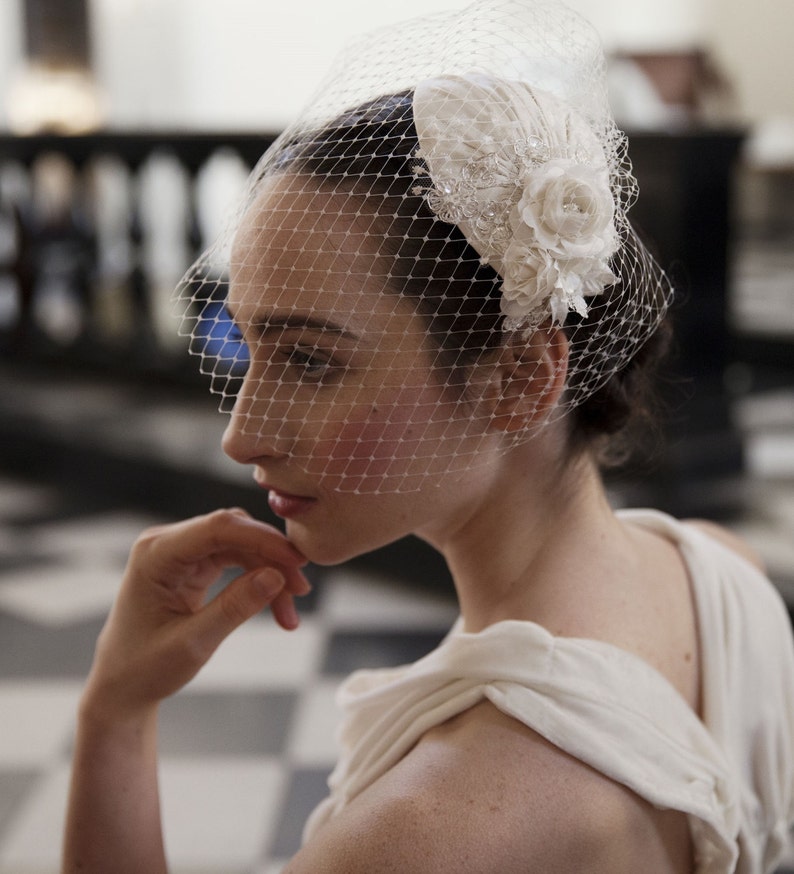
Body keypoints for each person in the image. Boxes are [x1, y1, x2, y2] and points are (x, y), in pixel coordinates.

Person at [62, 1, 794, 872]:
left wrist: (111, 714)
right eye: (251, 349)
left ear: (523, 377)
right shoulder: (723, 572)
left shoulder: (425, 830)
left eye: (310, 362)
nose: (242, 434)